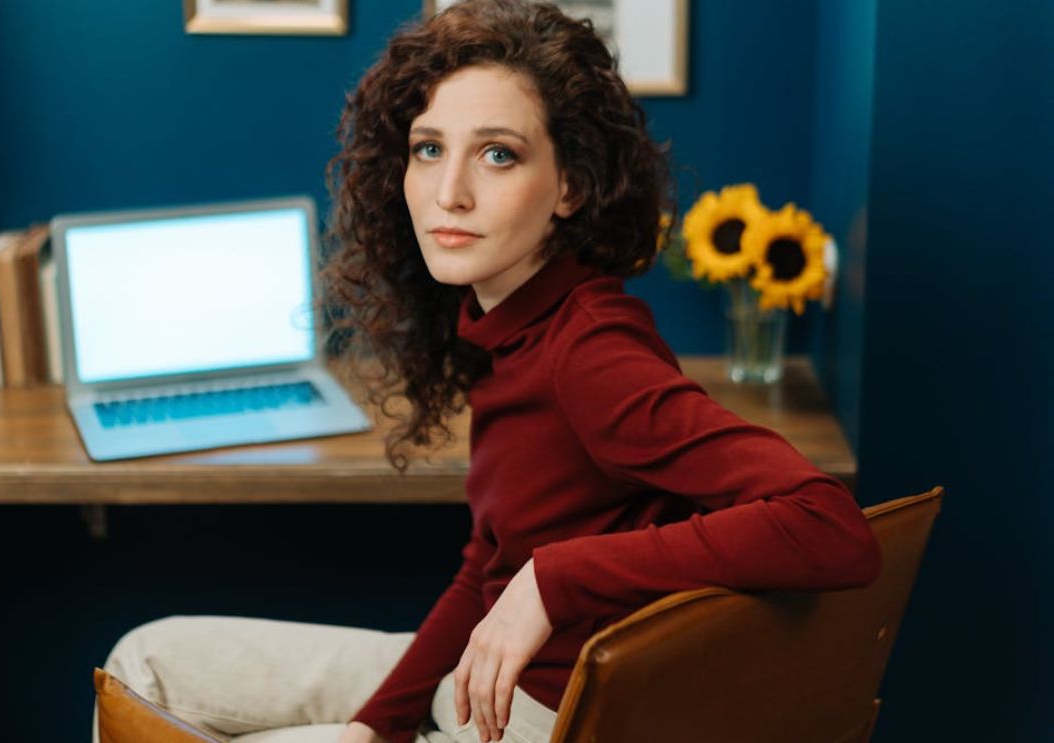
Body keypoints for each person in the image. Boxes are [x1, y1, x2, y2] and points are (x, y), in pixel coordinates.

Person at [95, 2, 882, 743]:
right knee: (143, 660)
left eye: (497, 155)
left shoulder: (590, 350)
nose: (450, 192)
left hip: (542, 717)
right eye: (429, 149)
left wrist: (554, 578)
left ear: (569, 186)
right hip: (477, 684)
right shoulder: (510, 323)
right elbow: (489, 563)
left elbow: (827, 523)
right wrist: (378, 724)